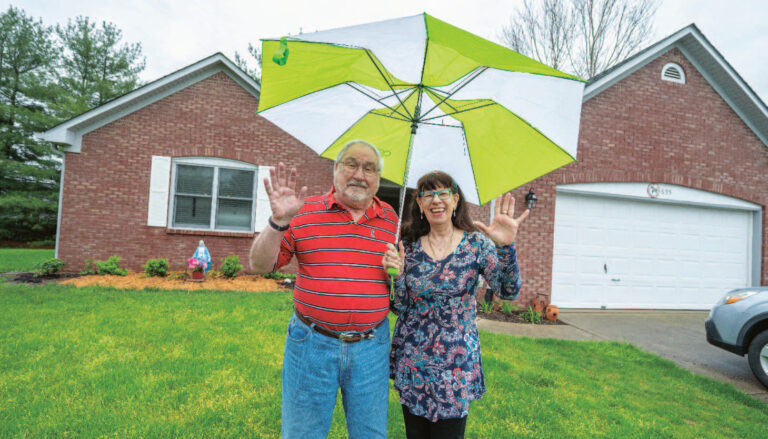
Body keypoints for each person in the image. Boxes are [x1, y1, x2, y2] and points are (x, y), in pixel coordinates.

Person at [249, 140, 398, 439]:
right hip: (312, 344)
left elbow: (397, 286)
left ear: (378, 178)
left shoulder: (391, 220)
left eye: (369, 168)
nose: (360, 174)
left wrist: (398, 271)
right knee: (303, 434)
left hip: (372, 347)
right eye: (351, 164)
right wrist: (278, 222)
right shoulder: (303, 213)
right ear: (335, 169)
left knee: (371, 435)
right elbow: (260, 264)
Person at [382, 171, 529, 439]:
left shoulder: (476, 244)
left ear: (455, 200)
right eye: (427, 194)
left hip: (456, 363)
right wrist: (397, 275)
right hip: (414, 360)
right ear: (420, 205)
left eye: (443, 193)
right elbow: (400, 307)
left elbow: (508, 291)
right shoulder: (408, 247)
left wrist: (506, 247)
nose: (435, 200)